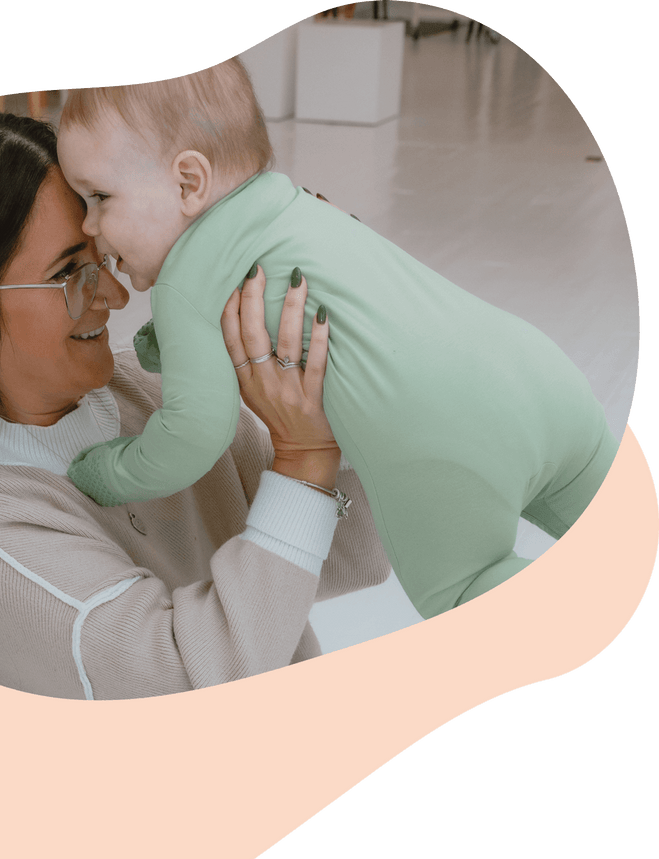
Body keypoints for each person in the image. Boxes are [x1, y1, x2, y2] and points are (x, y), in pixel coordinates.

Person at [56, 59, 618, 619]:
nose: (87, 226)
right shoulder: (288, 205)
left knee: (475, 596)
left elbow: (193, 436)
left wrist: (99, 472)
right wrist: (164, 348)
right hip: (539, 374)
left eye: (98, 198)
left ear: (188, 183)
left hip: (444, 441)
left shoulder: (182, 285)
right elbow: (227, 332)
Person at [0, 105, 391, 700]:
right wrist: (303, 457)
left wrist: (339, 376)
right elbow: (189, 683)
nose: (113, 293)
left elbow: (342, 555)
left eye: (102, 258)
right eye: (68, 273)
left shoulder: (151, 394)